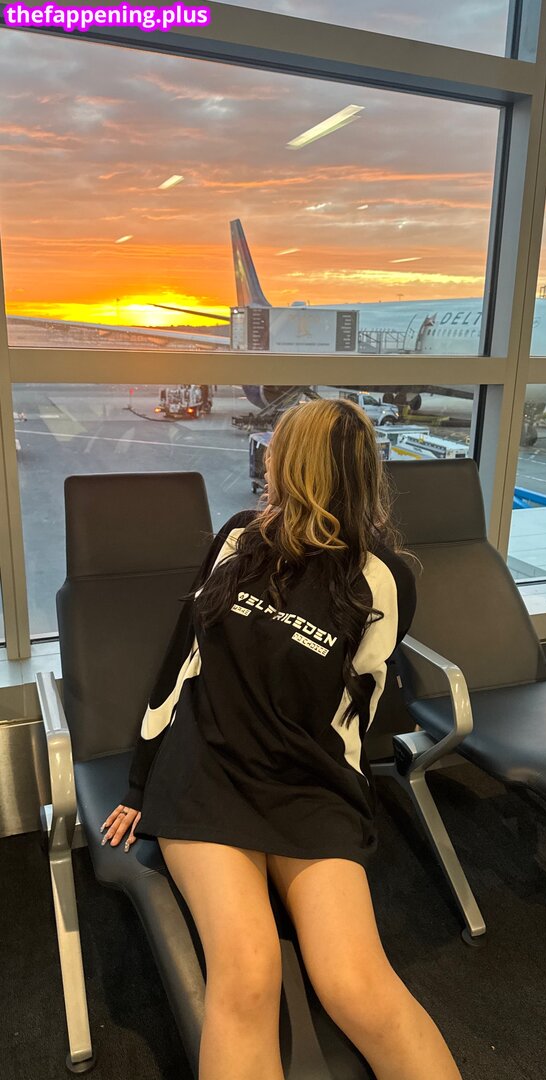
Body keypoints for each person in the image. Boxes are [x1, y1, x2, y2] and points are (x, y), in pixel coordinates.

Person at [100, 398, 462, 1080]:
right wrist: (141, 784)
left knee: (357, 984)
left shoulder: (383, 579)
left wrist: (343, 798)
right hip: (210, 769)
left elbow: (358, 709)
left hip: (309, 785)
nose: (266, 456)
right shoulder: (240, 539)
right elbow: (183, 659)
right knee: (249, 972)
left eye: (276, 448)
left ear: (297, 466)